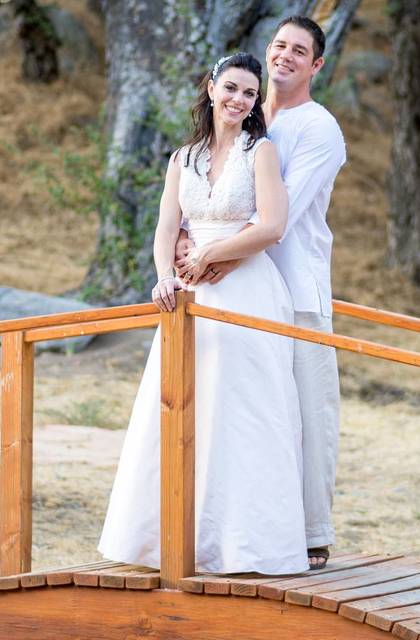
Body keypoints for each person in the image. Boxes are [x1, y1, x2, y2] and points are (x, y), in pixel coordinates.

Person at [98, 52, 310, 575]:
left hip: (247, 290)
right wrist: (164, 275)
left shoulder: (260, 151)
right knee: (180, 405)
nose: (239, 100)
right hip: (189, 296)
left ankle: (245, 546)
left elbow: (273, 226)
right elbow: (166, 227)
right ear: (211, 87)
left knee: (242, 411)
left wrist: (211, 254)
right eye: (231, 88)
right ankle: (170, 540)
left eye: (250, 93)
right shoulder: (182, 158)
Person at [176, 16, 346, 570]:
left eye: (300, 51)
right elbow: (204, 189)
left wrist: (219, 250)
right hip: (231, 288)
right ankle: (230, 526)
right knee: (241, 413)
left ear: (316, 65)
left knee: (304, 413)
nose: (286, 57)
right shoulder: (248, 111)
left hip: (294, 288)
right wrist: (187, 237)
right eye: (279, 46)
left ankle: (312, 532)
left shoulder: (318, 129)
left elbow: (283, 213)